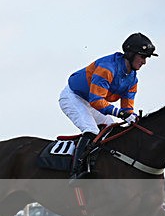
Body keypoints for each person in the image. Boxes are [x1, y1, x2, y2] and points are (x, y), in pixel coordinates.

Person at [60, 32, 157, 185]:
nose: (144, 62)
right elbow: (96, 100)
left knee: (111, 130)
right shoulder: (107, 68)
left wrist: (132, 117)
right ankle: (76, 173)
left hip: (92, 102)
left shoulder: (132, 79)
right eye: (142, 57)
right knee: (91, 130)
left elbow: (127, 108)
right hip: (74, 97)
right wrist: (121, 114)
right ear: (130, 54)